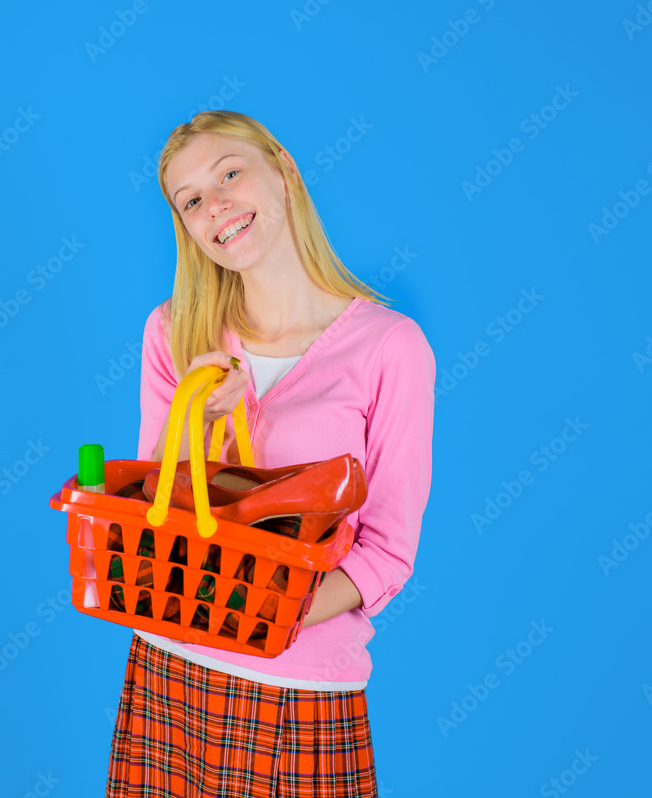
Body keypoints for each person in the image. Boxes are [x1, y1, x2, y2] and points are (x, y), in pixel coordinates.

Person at [106, 110, 435, 798]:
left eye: (230, 173)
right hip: (168, 669)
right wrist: (205, 425)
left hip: (300, 687)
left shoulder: (389, 347)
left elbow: (386, 554)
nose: (216, 206)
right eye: (191, 199)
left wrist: (261, 615)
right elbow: (148, 519)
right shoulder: (173, 334)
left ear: (282, 168)